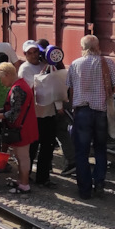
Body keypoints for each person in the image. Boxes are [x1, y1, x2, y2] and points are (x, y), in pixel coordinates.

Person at [67, 35, 115, 199]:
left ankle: (84, 190)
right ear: (98, 46)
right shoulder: (107, 62)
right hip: (100, 112)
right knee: (100, 149)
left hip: (82, 112)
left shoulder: (75, 64)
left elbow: (70, 91)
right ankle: (99, 183)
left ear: (82, 47)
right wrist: (106, 92)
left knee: (81, 152)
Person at [0, 62, 38, 193]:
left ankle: (24, 185)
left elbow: (15, 112)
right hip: (25, 126)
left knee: (22, 157)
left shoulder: (17, 88)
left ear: (7, 74)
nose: (1, 81)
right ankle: (21, 180)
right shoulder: (21, 84)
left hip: (22, 128)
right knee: (21, 156)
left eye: (1, 78)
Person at [18, 40, 62, 187]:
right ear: (25, 54)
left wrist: (59, 105)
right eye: (29, 53)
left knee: (47, 147)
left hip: (48, 112)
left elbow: (55, 86)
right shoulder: (25, 69)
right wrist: (43, 76)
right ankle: (26, 174)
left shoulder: (46, 65)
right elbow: (34, 89)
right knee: (32, 147)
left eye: (35, 52)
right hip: (33, 115)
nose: (33, 55)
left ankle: (43, 178)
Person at [37, 38, 76, 175]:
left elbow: (55, 89)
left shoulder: (50, 68)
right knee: (61, 133)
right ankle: (70, 161)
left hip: (56, 106)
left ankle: (70, 162)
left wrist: (59, 106)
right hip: (63, 103)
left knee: (58, 133)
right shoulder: (60, 67)